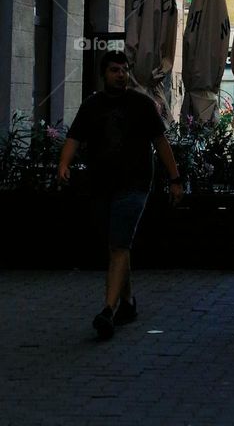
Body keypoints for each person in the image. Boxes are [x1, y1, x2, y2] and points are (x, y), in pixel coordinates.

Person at [58, 49, 183, 340]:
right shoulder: (92, 105)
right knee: (117, 245)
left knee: (118, 246)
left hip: (135, 185)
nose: (121, 75)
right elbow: (73, 137)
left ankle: (107, 311)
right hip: (100, 185)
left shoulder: (142, 104)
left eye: (124, 70)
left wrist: (174, 178)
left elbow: (161, 142)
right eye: (115, 70)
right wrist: (64, 164)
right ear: (104, 74)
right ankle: (127, 302)